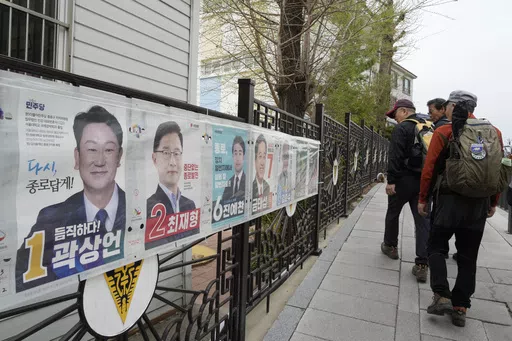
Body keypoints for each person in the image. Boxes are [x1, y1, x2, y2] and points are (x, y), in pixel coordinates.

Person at [16, 106, 126, 291]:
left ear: (119, 157)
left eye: (108, 150)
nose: (99, 161)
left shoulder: (139, 208)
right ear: (77, 156)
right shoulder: (50, 218)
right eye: (91, 149)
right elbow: (21, 277)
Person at [418, 90, 503, 327]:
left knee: (435, 246)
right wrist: (494, 202)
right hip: (478, 205)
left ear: (453, 107)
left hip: (448, 201)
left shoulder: (445, 131)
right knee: (468, 256)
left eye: (447, 105)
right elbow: (496, 170)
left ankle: (442, 294)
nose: (444, 108)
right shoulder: (494, 132)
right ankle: (460, 307)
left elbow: (430, 168)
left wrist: (423, 198)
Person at [381, 99, 430, 283]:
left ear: (403, 111)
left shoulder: (401, 129)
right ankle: (422, 264)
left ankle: (391, 247)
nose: (395, 118)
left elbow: (395, 156)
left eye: (395, 115)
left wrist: (391, 181)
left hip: (402, 180)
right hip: (423, 182)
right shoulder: (427, 127)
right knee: (423, 221)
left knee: (393, 213)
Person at [146, 121, 197, 249]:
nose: (172, 162)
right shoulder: (149, 208)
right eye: (166, 153)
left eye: (176, 153)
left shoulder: (190, 205)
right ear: (154, 158)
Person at [427, 98, 451, 259]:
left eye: (432, 111)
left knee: (438, 218)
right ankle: (445, 248)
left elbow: (432, 162)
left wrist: (425, 194)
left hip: (443, 182)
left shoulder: (441, 128)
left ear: (442, 109)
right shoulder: (456, 127)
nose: (430, 115)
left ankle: (438, 251)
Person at [222, 135, 246, 201]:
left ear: (243, 156)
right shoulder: (229, 182)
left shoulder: (248, 182)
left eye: (240, 153)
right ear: (232, 156)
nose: (237, 158)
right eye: (235, 153)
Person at [252, 134, 270, 199]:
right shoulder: (250, 188)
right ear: (255, 160)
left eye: (264, 157)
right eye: (260, 156)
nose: (262, 163)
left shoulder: (267, 186)